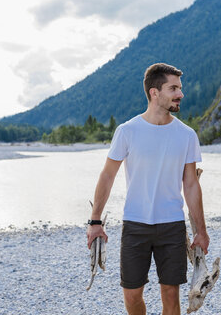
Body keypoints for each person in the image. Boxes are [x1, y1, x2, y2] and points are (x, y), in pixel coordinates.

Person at [87, 63, 210, 315]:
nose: (180, 94)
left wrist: (201, 231)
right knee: (132, 297)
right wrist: (95, 221)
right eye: (173, 88)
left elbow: (191, 184)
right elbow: (108, 176)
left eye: (180, 88)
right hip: (135, 225)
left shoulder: (186, 135)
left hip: (172, 226)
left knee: (171, 298)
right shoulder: (127, 131)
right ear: (155, 92)